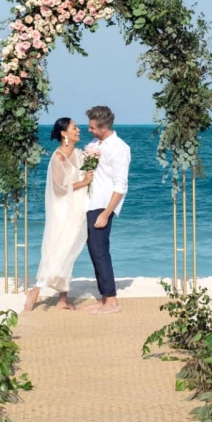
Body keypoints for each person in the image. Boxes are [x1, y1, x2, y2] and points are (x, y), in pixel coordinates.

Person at [22, 118, 94, 312]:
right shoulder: (59, 157)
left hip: (78, 208)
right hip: (63, 210)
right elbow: (59, 188)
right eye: (74, 127)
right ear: (64, 133)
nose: (78, 130)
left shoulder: (80, 154)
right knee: (58, 250)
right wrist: (85, 182)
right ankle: (35, 290)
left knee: (69, 251)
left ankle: (63, 298)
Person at [82, 105, 131, 314]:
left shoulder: (119, 148)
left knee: (101, 252)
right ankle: (103, 297)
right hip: (88, 202)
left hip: (102, 204)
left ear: (104, 127)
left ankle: (111, 301)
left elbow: (121, 185)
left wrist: (107, 212)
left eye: (93, 127)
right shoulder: (94, 143)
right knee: (93, 251)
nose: (89, 130)